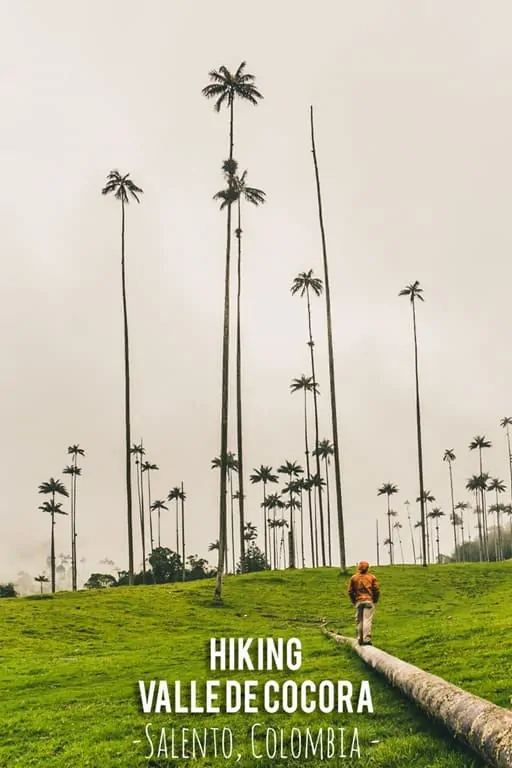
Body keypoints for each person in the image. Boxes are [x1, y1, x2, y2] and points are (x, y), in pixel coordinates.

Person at [347, 561, 380, 646]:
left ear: (358, 567)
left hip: (359, 601)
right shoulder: (372, 577)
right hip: (369, 600)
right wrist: (375, 600)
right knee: (367, 620)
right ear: (367, 568)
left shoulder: (354, 578)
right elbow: (376, 590)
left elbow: (350, 591)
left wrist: (354, 601)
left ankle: (359, 638)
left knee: (359, 621)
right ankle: (366, 639)